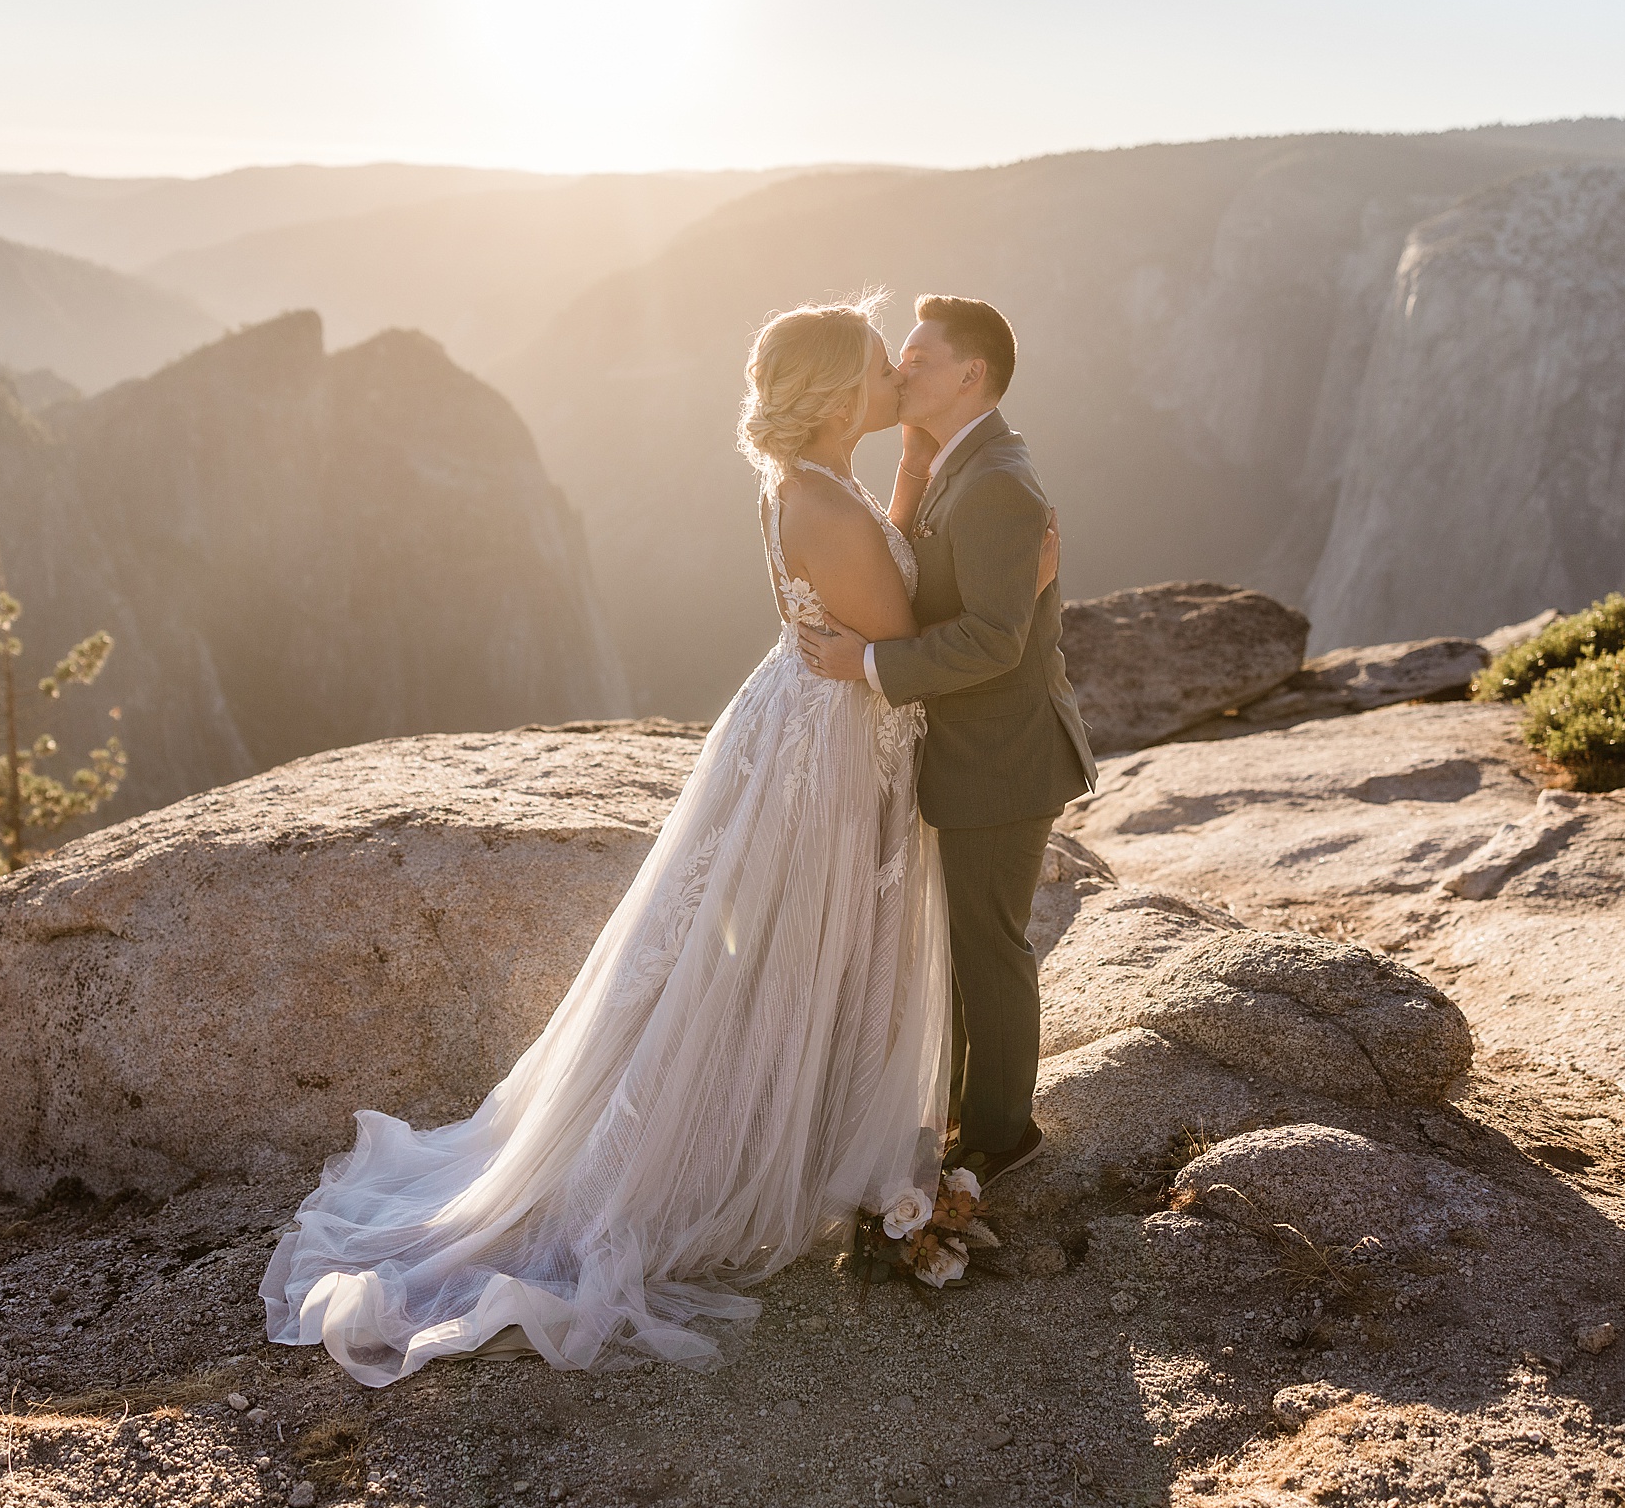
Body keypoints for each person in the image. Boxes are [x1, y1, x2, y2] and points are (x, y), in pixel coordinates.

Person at [258, 294, 1059, 1386]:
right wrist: (1027, 586)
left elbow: (884, 587)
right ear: (834, 396)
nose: (895, 381)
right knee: (798, 940)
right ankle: (764, 1137)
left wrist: (913, 469)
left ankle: (816, 1113)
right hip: (832, 743)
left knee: (801, 940)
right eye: (881, 369)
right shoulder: (821, 500)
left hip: (818, 722)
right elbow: (905, 637)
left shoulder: (817, 481)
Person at [797, 293, 1097, 1189]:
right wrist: (912, 477)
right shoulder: (959, 462)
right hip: (971, 751)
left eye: (917, 359)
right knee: (969, 939)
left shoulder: (999, 479)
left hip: (1005, 758)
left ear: (972, 375)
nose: (898, 372)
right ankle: (972, 1108)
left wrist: (872, 662)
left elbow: (995, 640)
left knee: (989, 946)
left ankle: (1004, 1137)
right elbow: (937, 582)